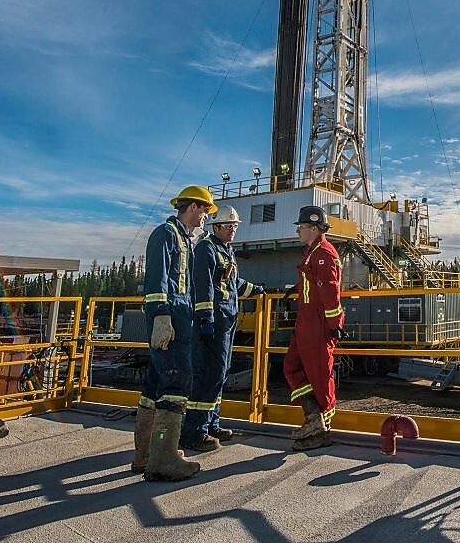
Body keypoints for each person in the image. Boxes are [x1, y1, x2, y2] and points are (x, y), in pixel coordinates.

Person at [133, 184, 215, 481]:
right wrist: (161, 316)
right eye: (206, 210)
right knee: (176, 383)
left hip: (181, 318)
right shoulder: (165, 235)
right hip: (171, 320)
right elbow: (157, 278)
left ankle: (145, 455)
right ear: (193, 207)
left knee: (155, 385)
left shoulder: (184, 239)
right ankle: (163, 459)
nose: (206, 216)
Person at [182, 205, 264, 451]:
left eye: (235, 226)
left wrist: (255, 289)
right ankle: (194, 432)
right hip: (213, 324)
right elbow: (204, 286)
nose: (232, 231)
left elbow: (231, 282)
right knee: (208, 375)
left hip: (227, 323)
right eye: (227, 226)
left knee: (220, 374)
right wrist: (205, 319)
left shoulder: (226, 251)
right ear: (215, 227)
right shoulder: (207, 249)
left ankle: (211, 424)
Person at [284, 205, 345, 451]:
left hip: (318, 326)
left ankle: (321, 429)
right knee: (292, 366)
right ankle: (313, 419)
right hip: (305, 324)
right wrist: (296, 289)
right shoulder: (311, 252)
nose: (298, 230)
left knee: (320, 376)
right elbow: (313, 285)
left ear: (314, 228)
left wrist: (334, 324)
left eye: (301, 226)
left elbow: (330, 292)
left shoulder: (324, 254)